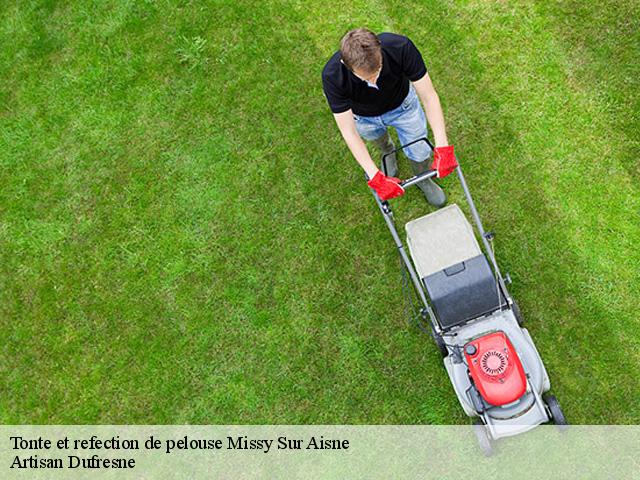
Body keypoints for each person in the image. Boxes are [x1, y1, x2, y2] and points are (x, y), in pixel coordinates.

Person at [321, 28, 458, 205]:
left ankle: (423, 179)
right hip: (364, 117)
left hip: (404, 107)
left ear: (380, 48)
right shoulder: (332, 76)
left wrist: (442, 145)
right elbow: (349, 132)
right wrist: (374, 176)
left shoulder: (401, 47)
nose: (373, 81)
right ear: (345, 64)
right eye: (366, 78)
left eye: (377, 71)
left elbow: (429, 96)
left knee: (420, 150)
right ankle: (388, 151)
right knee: (376, 138)